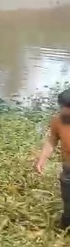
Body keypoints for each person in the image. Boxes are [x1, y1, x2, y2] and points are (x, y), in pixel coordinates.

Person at [35, 88, 70, 230]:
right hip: (68, 169)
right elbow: (52, 141)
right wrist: (42, 159)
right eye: (63, 108)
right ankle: (64, 229)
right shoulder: (58, 120)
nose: (64, 112)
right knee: (68, 203)